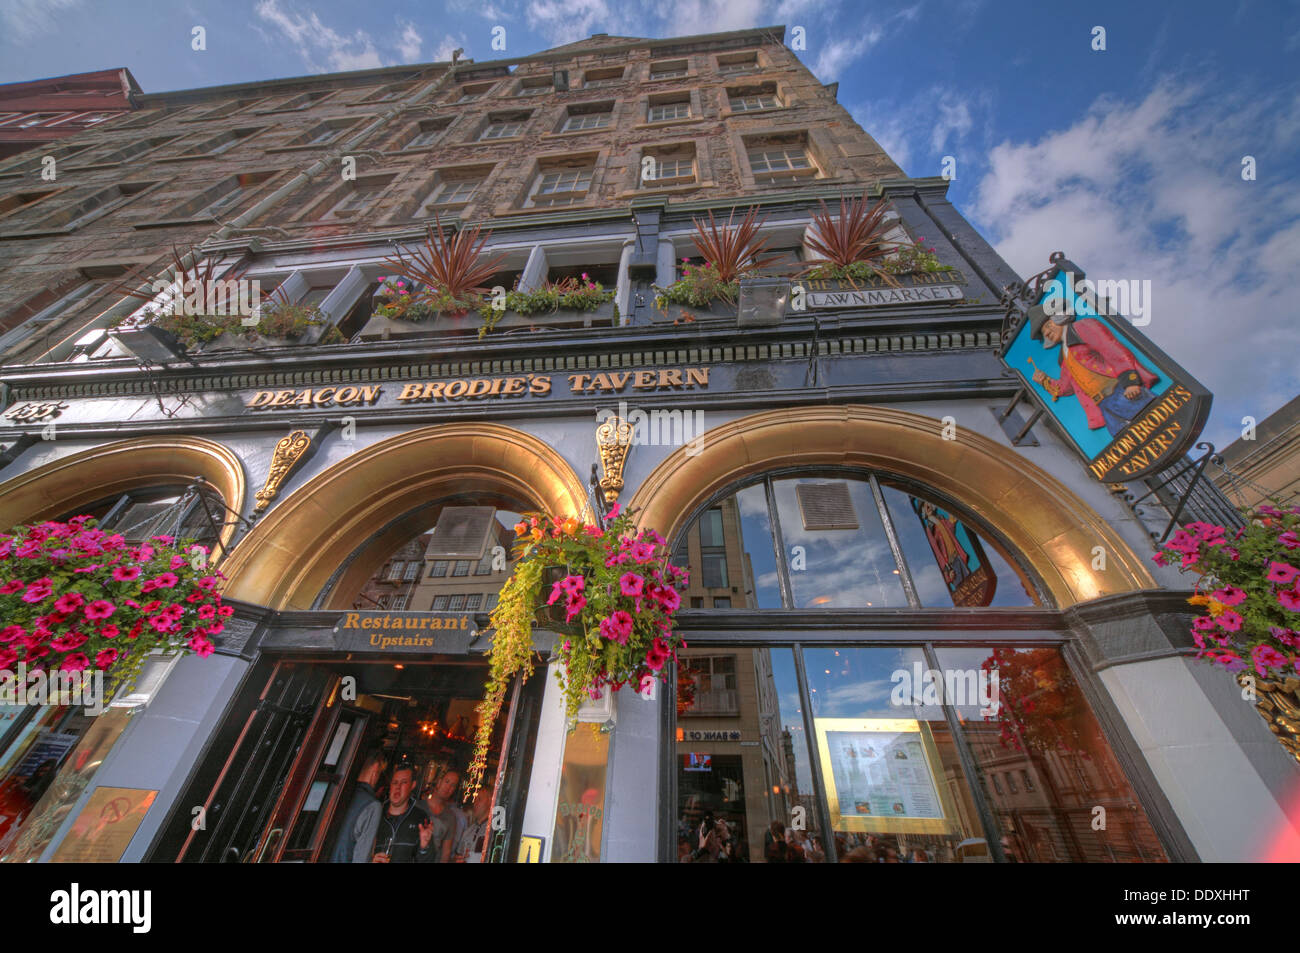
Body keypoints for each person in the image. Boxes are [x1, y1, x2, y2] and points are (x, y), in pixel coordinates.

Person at [1026, 304, 1159, 437]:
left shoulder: (1082, 327)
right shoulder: (1064, 357)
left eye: (1048, 326)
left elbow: (1112, 350)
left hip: (1122, 392)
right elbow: (1066, 387)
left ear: (1059, 317)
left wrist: (1130, 382)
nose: (1047, 333)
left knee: (1157, 425)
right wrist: (1045, 381)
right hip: (1104, 406)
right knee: (1131, 443)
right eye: (1044, 332)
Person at [372, 765, 440, 863]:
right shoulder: (376, 814)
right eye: (395, 782)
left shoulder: (420, 818)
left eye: (404, 782)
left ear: (412, 785)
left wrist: (424, 847)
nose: (397, 787)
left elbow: (427, 861)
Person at [330, 750, 386, 863]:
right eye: (380, 773)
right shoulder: (372, 806)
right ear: (375, 768)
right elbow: (361, 859)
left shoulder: (338, 792)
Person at [425, 768, 467, 864]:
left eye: (453, 785)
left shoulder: (451, 817)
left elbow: (446, 854)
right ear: (439, 782)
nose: (448, 787)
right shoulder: (419, 806)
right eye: (447, 781)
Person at [453, 789, 492, 863]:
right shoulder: (469, 830)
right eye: (475, 800)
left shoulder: (493, 831)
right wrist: (457, 859)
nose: (475, 803)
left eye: (479, 799)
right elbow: (457, 855)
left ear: (490, 801)